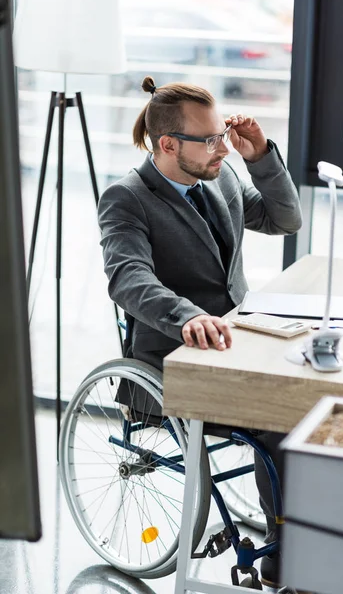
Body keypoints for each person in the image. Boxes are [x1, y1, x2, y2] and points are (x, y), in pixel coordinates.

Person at [98, 75, 302, 586]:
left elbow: (286, 220)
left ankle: (311, 531)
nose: (221, 147)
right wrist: (186, 314)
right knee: (281, 418)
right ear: (168, 144)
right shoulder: (127, 198)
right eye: (208, 139)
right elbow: (128, 277)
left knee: (311, 396)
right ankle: (287, 552)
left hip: (239, 337)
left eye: (221, 136)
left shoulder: (222, 176)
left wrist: (260, 157)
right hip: (173, 357)